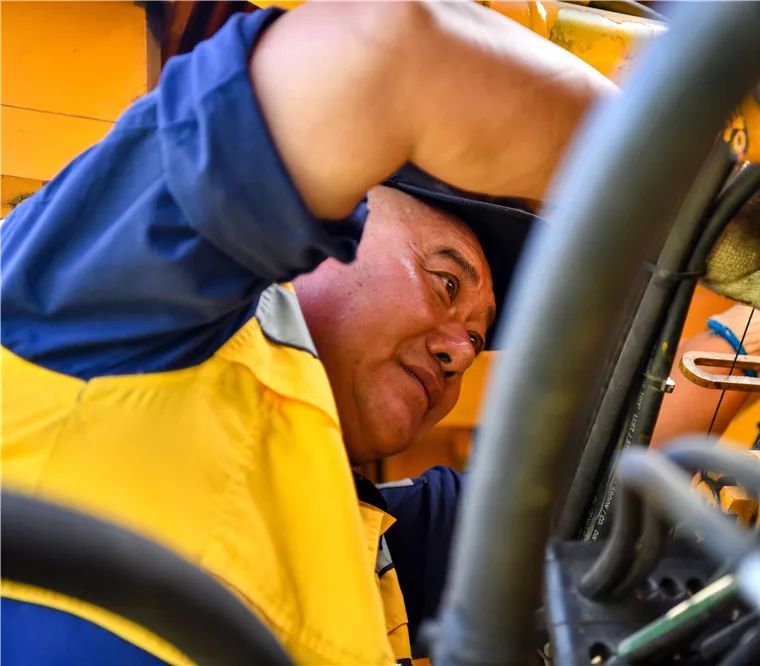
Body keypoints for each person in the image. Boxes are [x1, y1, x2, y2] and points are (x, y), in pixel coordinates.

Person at [1, 4, 612, 664]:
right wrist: (678, 169)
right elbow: (383, 50)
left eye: (477, 337)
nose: (461, 351)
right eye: (445, 283)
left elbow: (620, 463)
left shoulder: (372, 550)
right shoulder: (115, 298)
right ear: (340, 209)